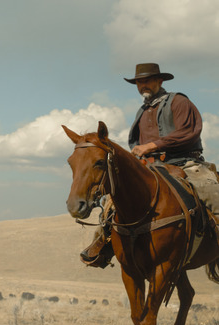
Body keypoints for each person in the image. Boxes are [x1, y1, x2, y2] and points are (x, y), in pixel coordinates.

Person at [81, 63, 219, 267]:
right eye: (139, 82)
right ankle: (103, 242)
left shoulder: (179, 102)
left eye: (147, 80)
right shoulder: (142, 111)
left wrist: (154, 145)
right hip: (151, 168)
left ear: (160, 81)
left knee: (212, 192)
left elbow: (188, 132)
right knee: (112, 202)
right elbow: (136, 144)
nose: (142, 85)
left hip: (185, 163)